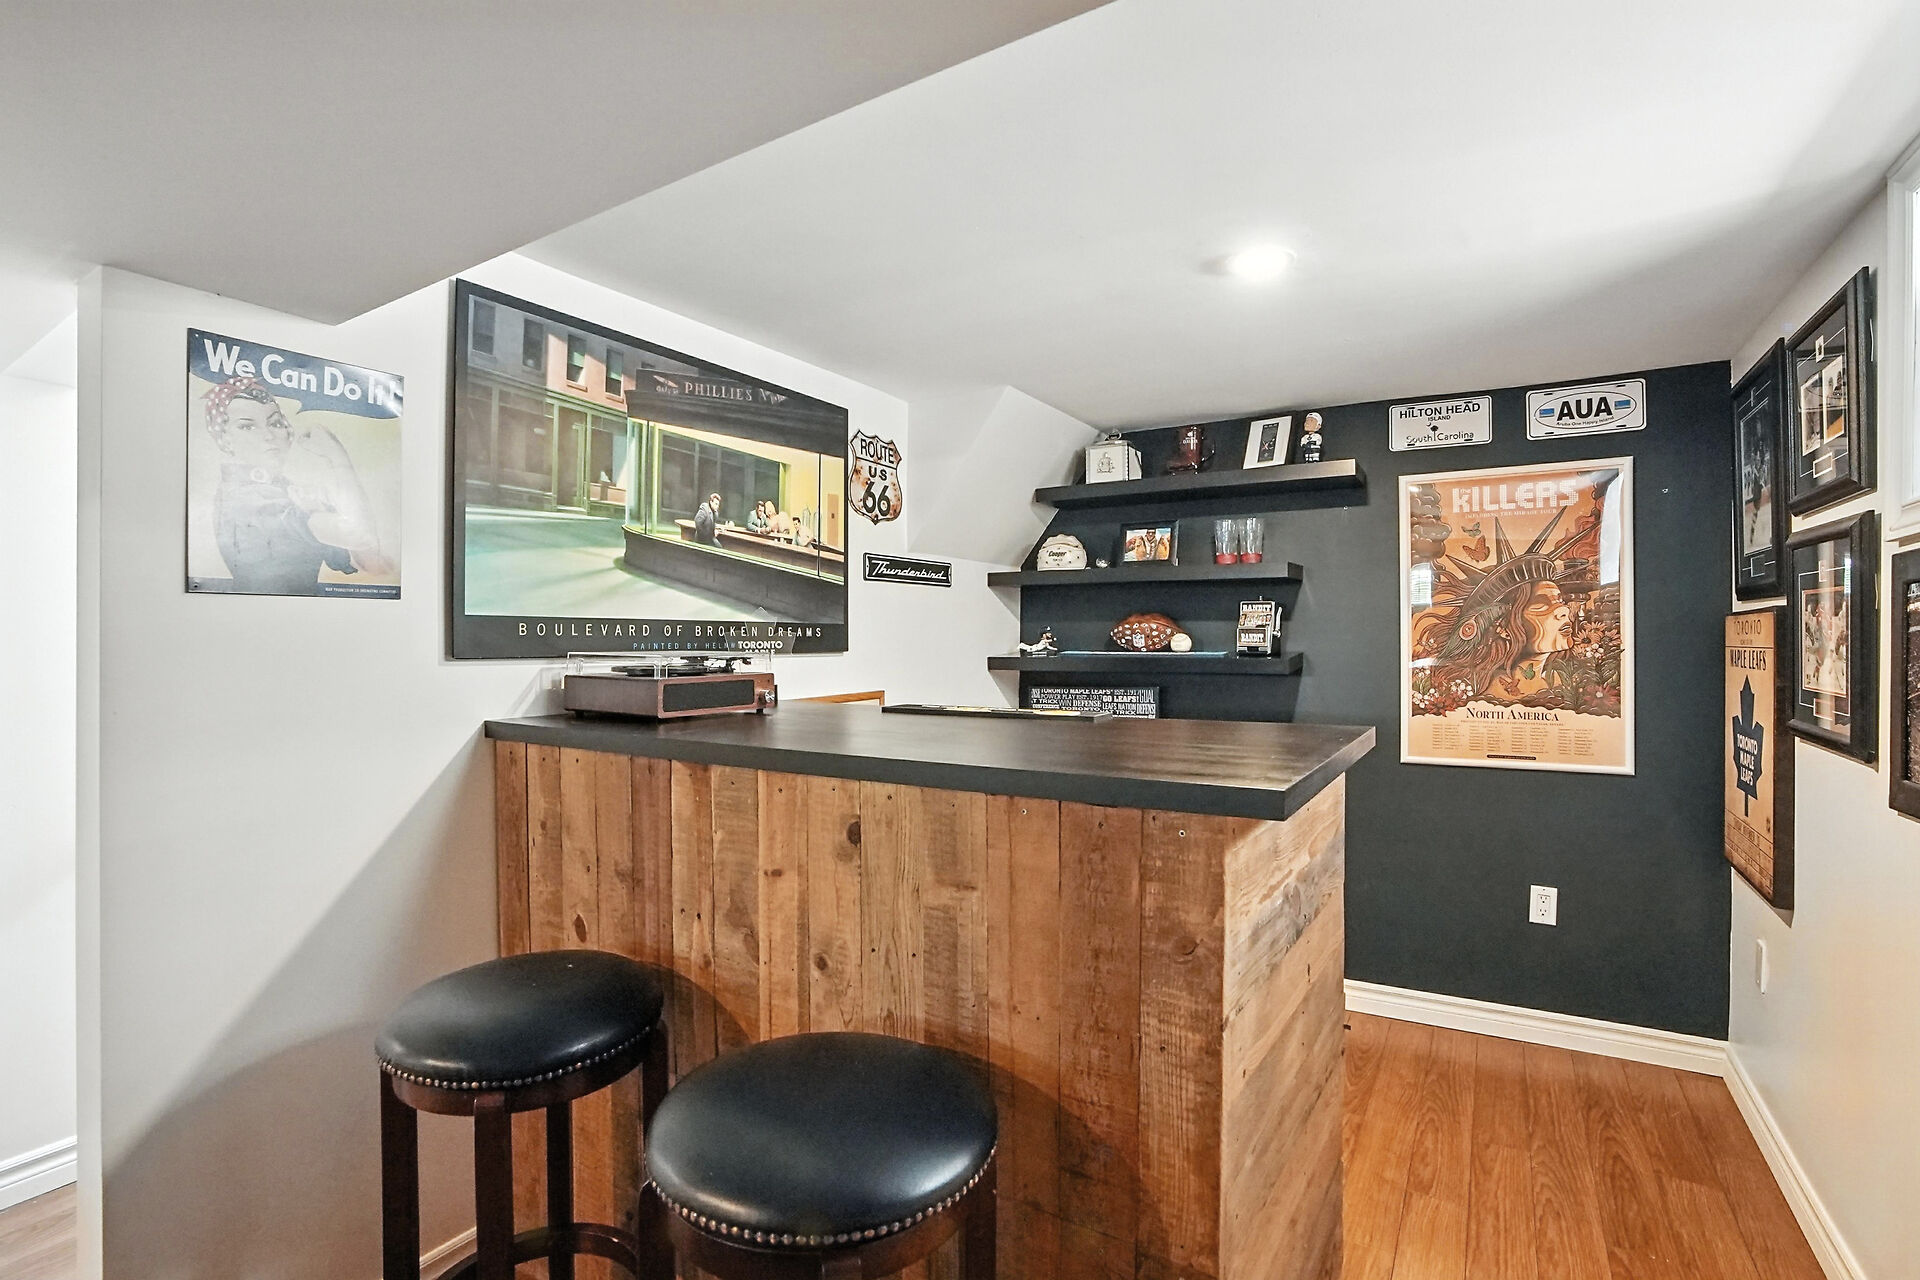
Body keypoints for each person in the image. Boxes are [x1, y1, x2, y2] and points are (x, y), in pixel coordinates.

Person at [201, 375, 391, 594]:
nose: (268, 435)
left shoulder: (287, 491)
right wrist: (338, 457)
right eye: (247, 427)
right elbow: (359, 536)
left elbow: (372, 563)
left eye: (275, 423)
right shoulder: (249, 498)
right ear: (225, 439)